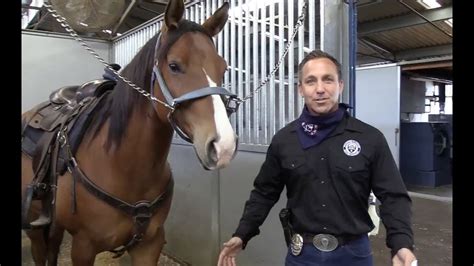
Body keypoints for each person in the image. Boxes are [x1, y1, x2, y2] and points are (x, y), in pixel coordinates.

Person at [217, 50, 416, 266]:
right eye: (311, 81)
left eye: (327, 80)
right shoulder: (284, 141)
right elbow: (264, 193)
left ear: (340, 85)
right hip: (303, 256)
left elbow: (393, 196)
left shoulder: (369, 138)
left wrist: (401, 244)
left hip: (355, 255)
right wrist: (242, 234)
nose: (320, 89)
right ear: (300, 89)